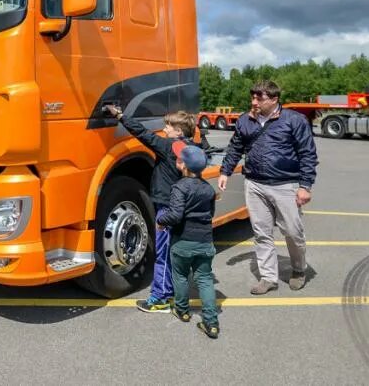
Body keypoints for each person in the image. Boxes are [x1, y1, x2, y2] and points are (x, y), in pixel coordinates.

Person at [218, 80, 318, 295]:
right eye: (252, 97)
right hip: (254, 184)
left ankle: (299, 270)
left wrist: (305, 186)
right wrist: (225, 171)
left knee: (292, 231)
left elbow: (308, 154)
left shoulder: (294, 120)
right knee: (261, 232)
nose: (254, 102)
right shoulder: (246, 120)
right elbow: (236, 147)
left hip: (285, 185)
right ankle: (268, 277)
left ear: (274, 99)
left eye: (259, 98)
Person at [103, 103, 197, 313]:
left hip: (166, 209)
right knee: (175, 252)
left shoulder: (168, 147)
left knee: (162, 253)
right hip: (183, 207)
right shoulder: (193, 149)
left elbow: (142, 134)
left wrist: (119, 115)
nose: (164, 130)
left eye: (168, 126)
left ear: (178, 132)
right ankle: (175, 294)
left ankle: (160, 299)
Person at [158, 143, 220, 338]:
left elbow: (175, 215)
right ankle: (211, 323)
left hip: (183, 241)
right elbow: (210, 214)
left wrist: (161, 220)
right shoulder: (208, 189)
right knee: (205, 279)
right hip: (205, 241)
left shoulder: (179, 187)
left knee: (181, 276)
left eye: (179, 159)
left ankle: (183, 310)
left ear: (184, 166)